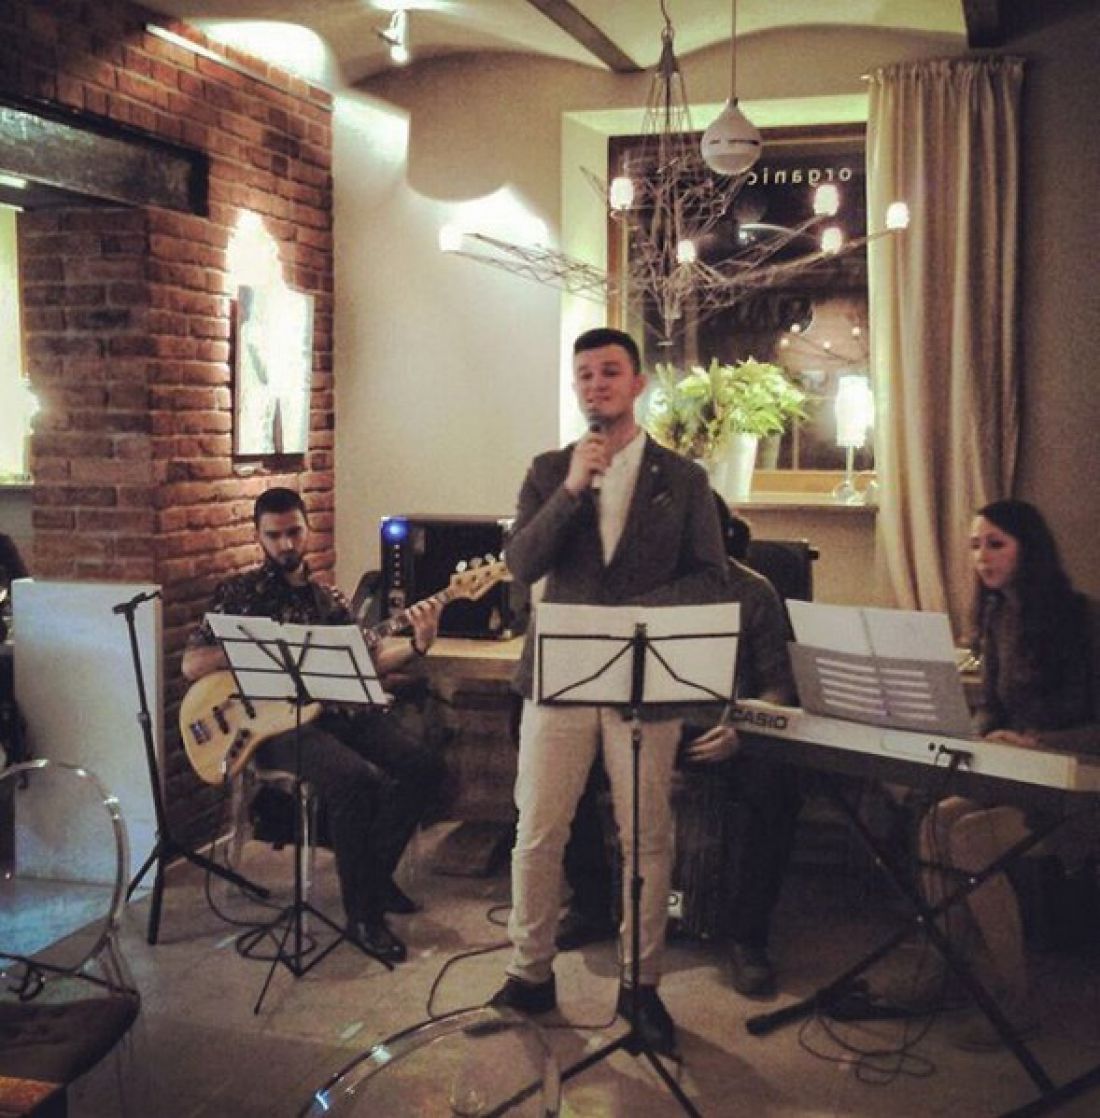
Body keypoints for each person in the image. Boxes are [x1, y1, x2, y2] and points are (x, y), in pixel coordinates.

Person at [489, 327, 729, 1058]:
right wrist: (571, 488)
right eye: (585, 374)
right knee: (538, 830)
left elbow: (710, 577)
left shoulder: (683, 479)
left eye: (610, 372)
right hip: (558, 677)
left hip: (642, 680)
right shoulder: (547, 470)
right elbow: (521, 562)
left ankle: (640, 984)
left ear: (638, 383)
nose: (596, 385)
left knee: (646, 837)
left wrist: (634, 618)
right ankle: (529, 972)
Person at [182, 486, 446, 963]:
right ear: (258, 536)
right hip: (271, 726)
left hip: (335, 712)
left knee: (423, 765)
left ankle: (372, 878)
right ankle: (363, 916)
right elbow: (191, 664)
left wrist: (418, 644)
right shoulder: (237, 594)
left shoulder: (329, 600)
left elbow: (369, 663)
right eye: (274, 535)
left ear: (308, 529)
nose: (286, 544)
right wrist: (249, 651)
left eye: (294, 532)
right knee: (353, 780)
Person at [553, 497, 800, 997]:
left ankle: (748, 934)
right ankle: (592, 902)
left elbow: (780, 687)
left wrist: (743, 730)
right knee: (566, 762)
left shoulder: (755, 592)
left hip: (718, 733)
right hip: (641, 727)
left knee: (778, 783)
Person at [906, 499, 1095, 1049]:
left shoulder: (1083, 620)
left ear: (1027, 549)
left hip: (1079, 783)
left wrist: (1038, 744)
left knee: (971, 836)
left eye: (996, 544)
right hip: (1021, 777)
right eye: (975, 545)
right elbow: (991, 706)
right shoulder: (996, 618)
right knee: (936, 821)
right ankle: (950, 968)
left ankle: (1015, 999)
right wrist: (980, 735)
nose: (981, 557)